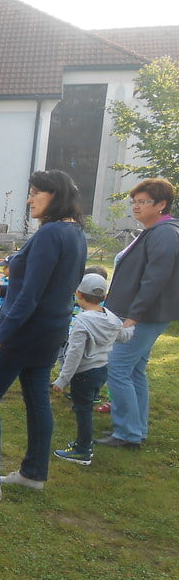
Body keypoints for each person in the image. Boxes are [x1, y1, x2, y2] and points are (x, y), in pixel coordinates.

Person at [0, 169, 87, 500]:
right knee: (37, 398)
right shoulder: (76, 233)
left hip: (23, 332)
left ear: (55, 196)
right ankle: (33, 474)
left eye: (35, 193)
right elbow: (49, 284)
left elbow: (31, 295)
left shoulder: (50, 234)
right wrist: (1, 288)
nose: (29, 200)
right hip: (50, 332)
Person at [99, 178, 179, 449]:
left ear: (161, 204)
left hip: (143, 316)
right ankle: (136, 429)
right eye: (134, 201)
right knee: (133, 370)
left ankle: (127, 433)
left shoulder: (165, 233)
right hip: (139, 314)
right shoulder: (153, 230)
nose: (136, 206)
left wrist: (133, 316)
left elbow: (156, 279)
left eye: (143, 202)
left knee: (118, 368)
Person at [52, 274, 131, 465]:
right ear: (104, 297)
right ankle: (83, 443)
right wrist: (132, 323)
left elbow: (74, 355)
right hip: (101, 371)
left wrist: (62, 379)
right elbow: (124, 336)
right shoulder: (111, 317)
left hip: (84, 374)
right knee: (86, 408)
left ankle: (83, 450)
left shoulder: (82, 322)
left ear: (78, 294)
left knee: (83, 411)